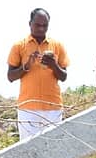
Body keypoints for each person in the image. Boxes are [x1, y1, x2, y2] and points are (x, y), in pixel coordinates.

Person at [6, 8, 69, 141]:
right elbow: (10, 76)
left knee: (54, 146)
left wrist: (53, 65)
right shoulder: (19, 46)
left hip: (53, 107)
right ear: (30, 24)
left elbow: (63, 77)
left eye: (45, 25)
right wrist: (26, 66)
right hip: (28, 108)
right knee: (29, 148)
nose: (41, 29)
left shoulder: (57, 45)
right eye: (38, 25)